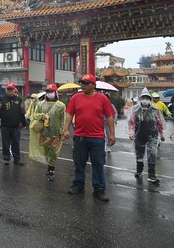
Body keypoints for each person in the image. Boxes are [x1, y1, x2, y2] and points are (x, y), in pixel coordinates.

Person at [63, 74, 116, 202]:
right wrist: (66, 129)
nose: (83, 85)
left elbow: (109, 117)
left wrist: (112, 134)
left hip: (97, 138)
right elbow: (69, 114)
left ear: (94, 85)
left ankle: (98, 189)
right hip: (80, 137)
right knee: (79, 163)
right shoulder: (75, 98)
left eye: (86, 83)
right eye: (82, 82)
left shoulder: (103, 99)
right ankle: (78, 185)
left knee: (98, 164)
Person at [128, 88, 165, 184]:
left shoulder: (155, 109)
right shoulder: (135, 109)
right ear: (140, 99)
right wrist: (131, 132)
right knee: (139, 154)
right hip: (139, 135)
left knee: (152, 154)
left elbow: (159, 123)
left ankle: (151, 175)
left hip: (152, 135)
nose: (145, 99)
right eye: (143, 97)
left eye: (147, 97)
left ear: (150, 99)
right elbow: (131, 122)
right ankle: (139, 170)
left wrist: (161, 134)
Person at [30, 84, 66, 181]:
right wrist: (42, 116)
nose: (49, 94)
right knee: (46, 151)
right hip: (44, 132)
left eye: (51, 92)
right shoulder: (40, 104)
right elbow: (35, 114)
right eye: (48, 92)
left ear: (55, 93)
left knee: (54, 152)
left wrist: (62, 132)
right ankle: (49, 165)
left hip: (55, 133)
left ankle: (51, 170)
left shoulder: (61, 106)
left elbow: (63, 120)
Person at [0, 82, 27, 165]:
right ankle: (6, 158)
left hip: (16, 125)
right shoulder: (1, 99)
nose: (10, 91)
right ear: (6, 90)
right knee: (5, 143)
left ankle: (17, 159)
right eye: (8, 89)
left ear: (14, 90)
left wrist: (24, 123)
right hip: (5, 125)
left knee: (16, 143)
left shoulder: (19, 99)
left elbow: (22, 112)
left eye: (11, 89)